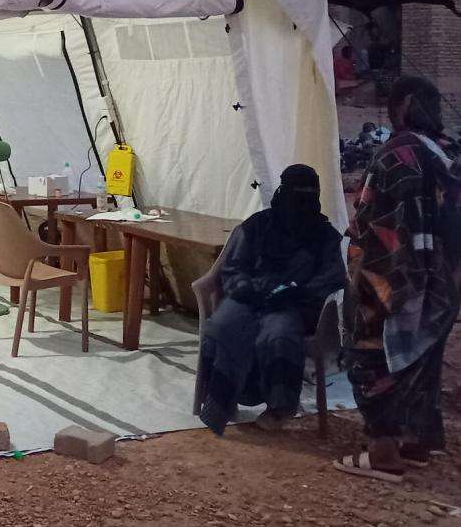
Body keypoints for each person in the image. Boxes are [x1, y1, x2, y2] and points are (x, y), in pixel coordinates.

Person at [337, 76, 461, 481]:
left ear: (400, 108)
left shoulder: (394, 154)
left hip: (389, 278)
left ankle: (384, 452)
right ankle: (418, 443)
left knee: (371, 357)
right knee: (422, 359)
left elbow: (367, 214)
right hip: (443, 282)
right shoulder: (449, 153)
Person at [197, 164, 344, 435]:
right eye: (294, 194)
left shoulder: (325, 237)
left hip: (292, 305)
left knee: (277, 335)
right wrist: (247, 288)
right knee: (222, 327)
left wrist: (297, 291)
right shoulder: (257, 226)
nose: (299, 202)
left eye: (307, 195)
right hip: (249, 297)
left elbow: (332, 278)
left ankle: (279, 407)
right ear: (282, 191)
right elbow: (233, 266)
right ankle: (221, 400)